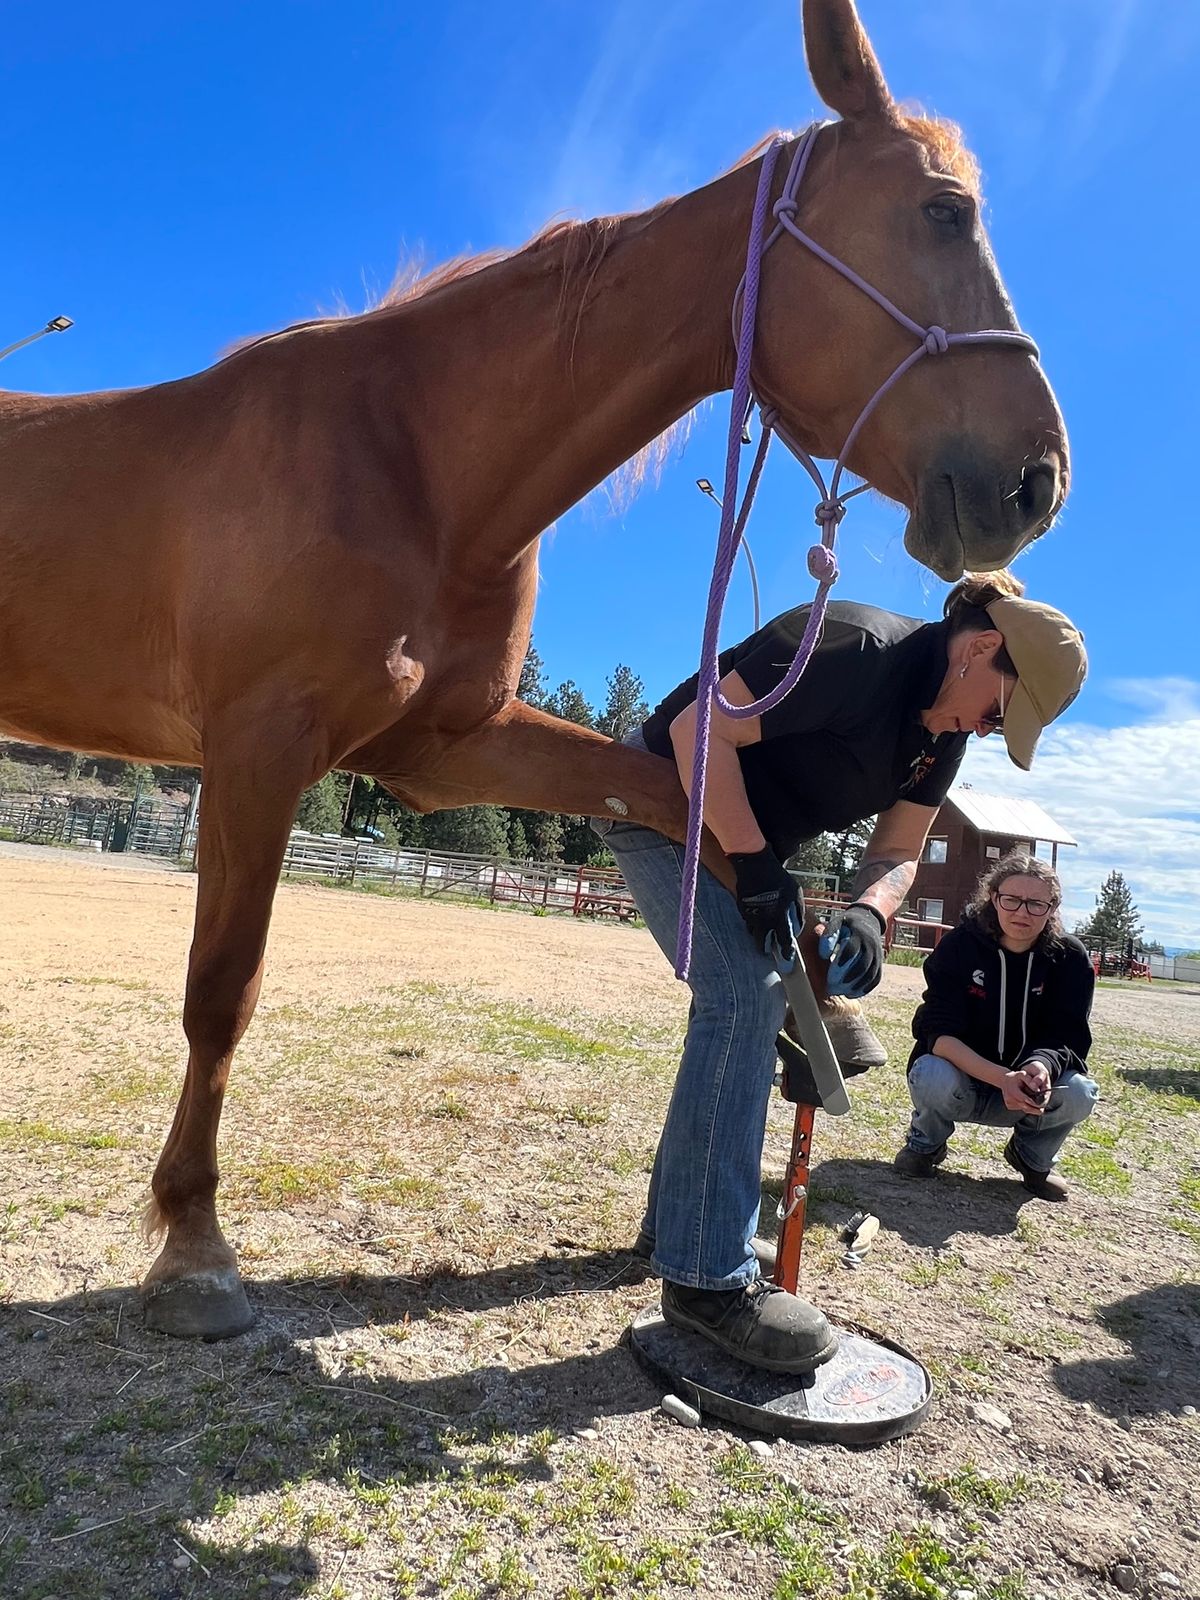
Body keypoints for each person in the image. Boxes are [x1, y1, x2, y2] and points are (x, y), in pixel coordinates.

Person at [593, 571, 1087, 1374]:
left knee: (739, 1005)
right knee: (745, 1001)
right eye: (1001, 710)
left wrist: (870, 911)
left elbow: (896, 852)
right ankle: (704, 1280)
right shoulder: (851, 644)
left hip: (733, 846)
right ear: (984, 647)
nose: (992, 730)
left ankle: (683, 1227)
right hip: (656, 807)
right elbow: (698, 734)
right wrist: (756, 862)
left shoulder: (942, 738)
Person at [897, 852, 1098, 1201]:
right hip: (963, 1082)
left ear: (1052, 907)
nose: (1022, 912)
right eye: (1012, 900)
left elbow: (1066, 1036)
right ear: (993, 898)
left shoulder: (1071, 958)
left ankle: (1031, 1158)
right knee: (930, 1072)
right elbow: (939, 1036)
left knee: (1080, 1092)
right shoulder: (959, 947)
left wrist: (1038, 1068)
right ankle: (925, 1145)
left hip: (1027, 1093)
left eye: (1037, 903)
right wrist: (1002, 1078)